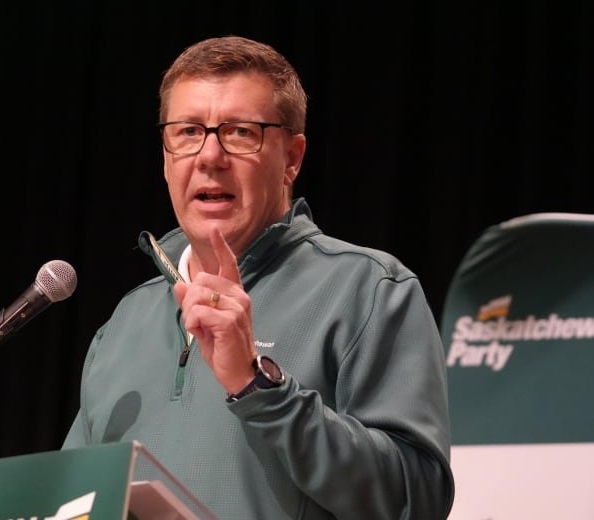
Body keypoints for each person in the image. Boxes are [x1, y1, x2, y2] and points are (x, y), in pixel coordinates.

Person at [63, 35, 454, 519]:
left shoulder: (369, 291)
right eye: (187, 132)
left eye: (240, 132)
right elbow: (72, 499)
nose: (209, 156)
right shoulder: (125, 321)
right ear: (165, 158)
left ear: (291, 158)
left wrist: (257, 389)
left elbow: (417, 499)